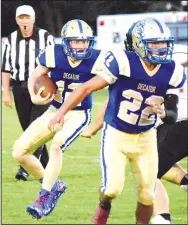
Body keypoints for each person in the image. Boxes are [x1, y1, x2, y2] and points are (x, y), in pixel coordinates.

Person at [48, 18, 186, 224]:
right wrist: (60, 114)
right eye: (155, 43)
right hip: (117, 133)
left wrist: (163, 112)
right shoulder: (123, 61)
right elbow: (85, 88)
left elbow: (173, 114)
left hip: (145, 136)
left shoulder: (172, 70)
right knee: (111, 189)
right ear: (139, 43)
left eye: (164, 43)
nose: (161, 48)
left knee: (147, 195)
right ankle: (104, 206)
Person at [12, 19, 106, 219]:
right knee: (19, 152)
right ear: (65, 42)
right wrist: (33, 94)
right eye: (76, 41)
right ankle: (54, 185)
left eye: (84, 41)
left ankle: (44, 196)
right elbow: (35, 75)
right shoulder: (53, 53)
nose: (81, 46)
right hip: (53, 111)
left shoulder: (98, 59)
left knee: (57, 145)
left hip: (79, 113)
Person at [2, 5, 54, 181]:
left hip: (41, 87)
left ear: (33, 19)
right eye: (21, 18)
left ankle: (25, 167)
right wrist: (6, 93)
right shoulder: (10, 40)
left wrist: (56, 86)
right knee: (27, 128)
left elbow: (54, 62)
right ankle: (44, 167)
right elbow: (5, 68)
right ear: (17, 20)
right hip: (19, 88)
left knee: (34, 126)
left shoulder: (45, 37)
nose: (24, 21)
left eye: (27, 17)